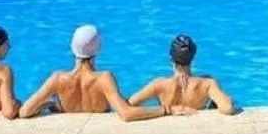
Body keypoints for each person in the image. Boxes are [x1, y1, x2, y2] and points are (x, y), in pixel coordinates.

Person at [19, 25, 170, 121]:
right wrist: (164, 110)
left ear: (72, 47)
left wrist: (49, 104)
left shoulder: (57, 78)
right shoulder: (104, 79)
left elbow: (24, 112)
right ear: (98, 49)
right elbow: (126, 114)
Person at [128, 35, 236, 115]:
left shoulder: (159, 85)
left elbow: (129, 104)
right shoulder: (207, 84)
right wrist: (228, 99)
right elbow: (227, 108)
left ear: (171, 59)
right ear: (192, 58)